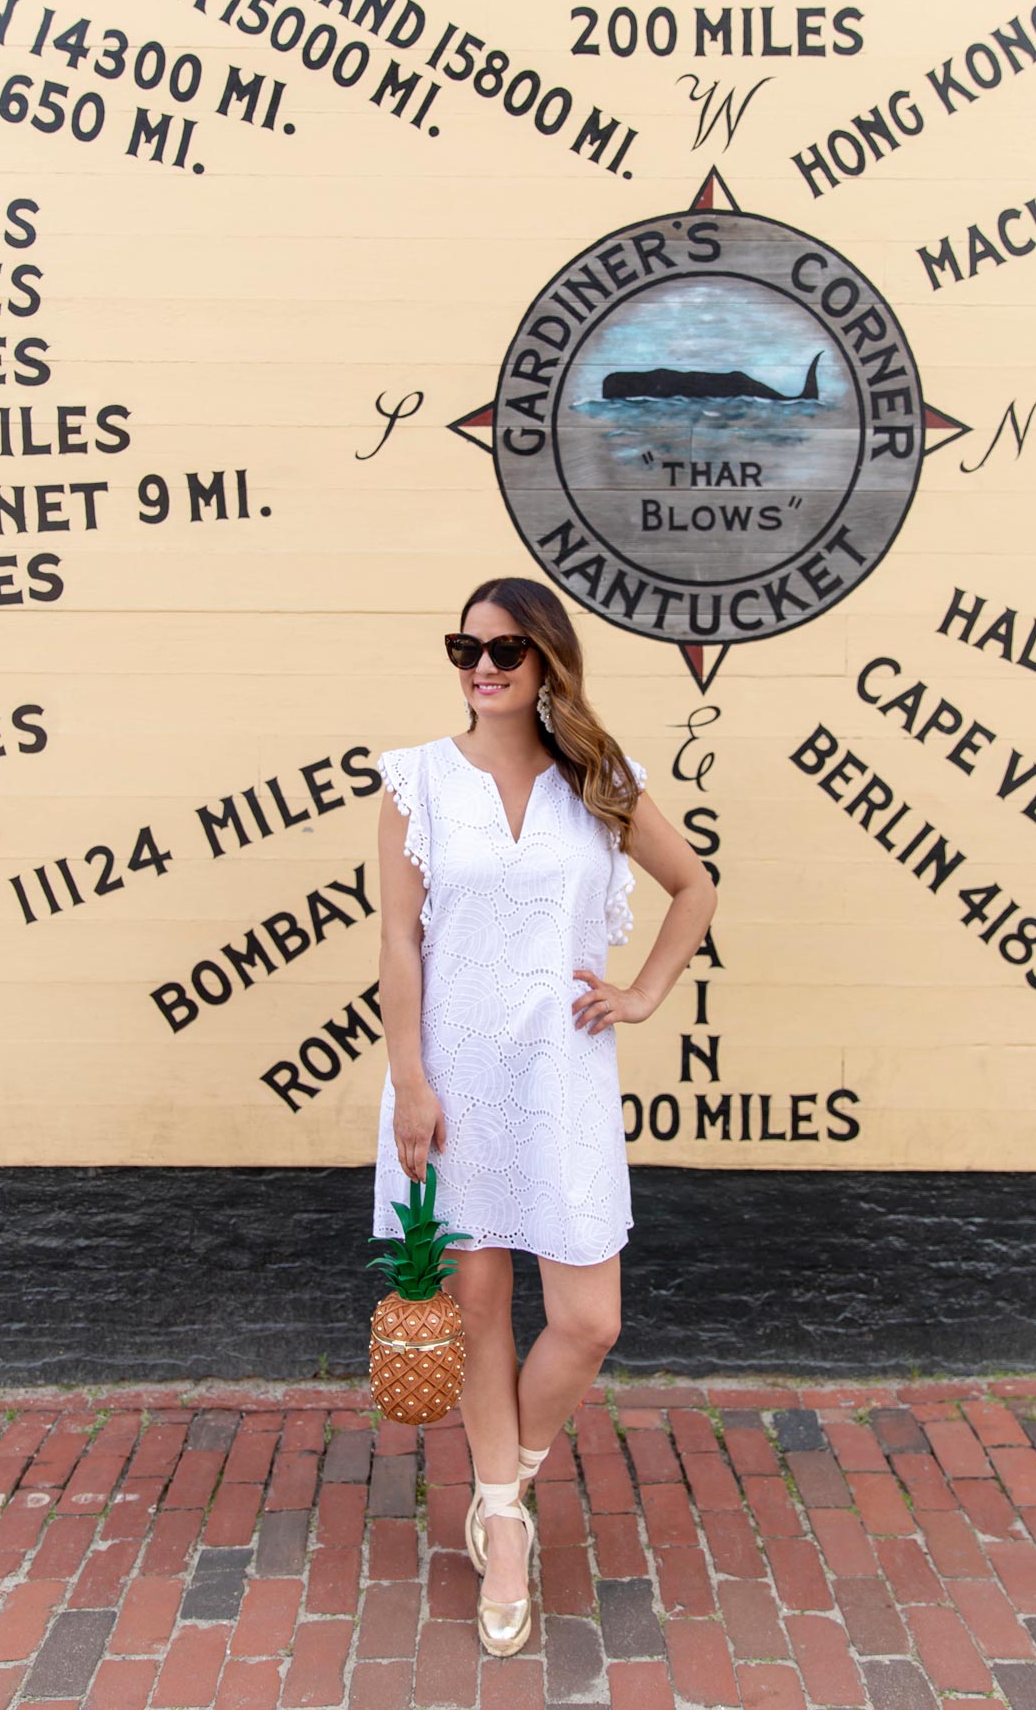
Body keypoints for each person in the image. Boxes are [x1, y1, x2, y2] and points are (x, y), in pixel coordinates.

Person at [372, 575, 717, 1657]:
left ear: (546, 664)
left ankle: (503, 1480)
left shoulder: (600, 780)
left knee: (586, 1321)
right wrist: (411, 1084)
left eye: (505, 651)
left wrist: (645, 991)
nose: (481, 667)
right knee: (477, 1308)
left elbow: (693, 886)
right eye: (464, 649)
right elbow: (396, 944)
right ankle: (506, 1526)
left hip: (561, 1080)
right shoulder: (417, 782)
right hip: (453, 1077)